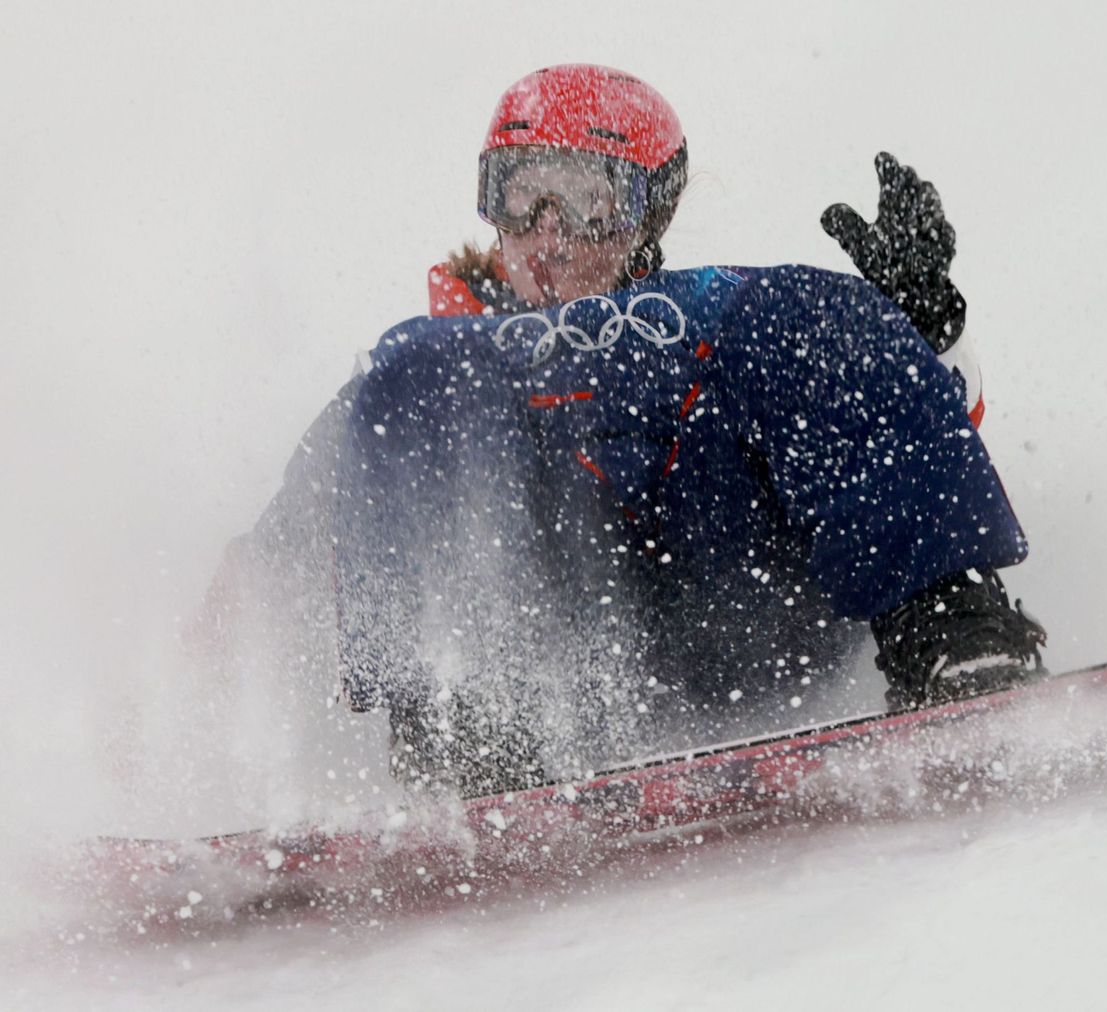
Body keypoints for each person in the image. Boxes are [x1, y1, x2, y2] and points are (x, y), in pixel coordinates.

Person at [211, 64, 1046, 795]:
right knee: (421, 373)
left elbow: (921, 440)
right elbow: (285, 552)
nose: (548, 233)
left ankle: (951, 636)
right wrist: (183, 679)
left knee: (796, 312)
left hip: (748, 616)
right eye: (522, 195)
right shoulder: (429, 379)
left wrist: (919, 332)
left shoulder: (719, 335)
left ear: (647, 214)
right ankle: (469, 738)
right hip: (548, 676)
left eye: (585, 200)